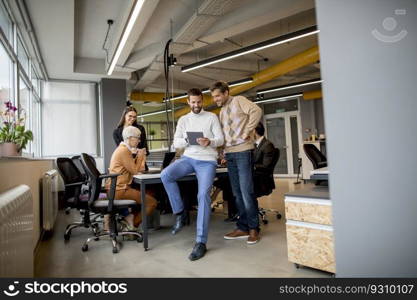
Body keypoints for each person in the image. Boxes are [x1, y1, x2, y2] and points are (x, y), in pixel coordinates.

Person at [161, 88, 224, 261]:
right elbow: (176, 142)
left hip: (207, 160)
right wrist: (189, 140)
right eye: (193, 102)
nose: (196, 105)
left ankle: (201, 242)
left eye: (199, 102)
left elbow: (221, 139)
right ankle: (180, 212)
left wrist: (209, 141)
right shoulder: (183, 119)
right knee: (166, 175)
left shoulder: (211, 117)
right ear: (188, 102)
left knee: (203, 195)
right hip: (188, 158)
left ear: (202, 100)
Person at [210, 81, 262, 244]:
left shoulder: (238, 100)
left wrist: (248, 130)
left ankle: (254, 228)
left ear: (226, 93)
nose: (215, 99)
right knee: (237, 194)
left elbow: (256, 110)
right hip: (231, 154)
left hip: (243, 151)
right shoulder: (222, 111)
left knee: (247, 191)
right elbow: (226, 134)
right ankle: (243, 227)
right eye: (213, 96)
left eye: (218, 95)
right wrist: (223, 152)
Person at [107, 126, 157, 231]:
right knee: (152, 202)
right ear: (130, 138)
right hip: (120, 190)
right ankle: (132, 226)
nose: (139, 141)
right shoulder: (124, 151)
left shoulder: (123, 149)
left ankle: (130, 223)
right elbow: (135, 170)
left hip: (116, 188)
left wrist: (138, 156)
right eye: (138, 138)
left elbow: (135, 169)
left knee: (149, 193)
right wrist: (139, 155)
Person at [253, 122, 277, 199]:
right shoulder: (255, 145)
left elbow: (266, 166)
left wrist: (251, 166)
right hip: (256, 176)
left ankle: (245, 209)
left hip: (261, 179)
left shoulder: (267, 145)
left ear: (254, 131)